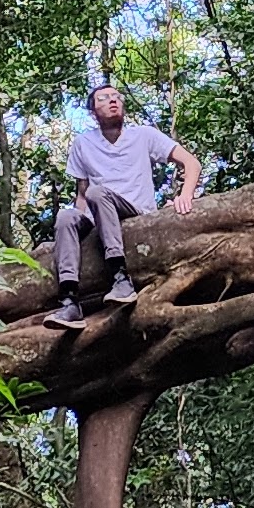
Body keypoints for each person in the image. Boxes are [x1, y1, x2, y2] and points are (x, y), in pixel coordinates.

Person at [46, 81, 201, 326]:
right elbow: (82, 194)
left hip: (134, 211)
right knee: (65, 218)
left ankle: (120, 278)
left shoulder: (143, 135)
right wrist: (74, 230)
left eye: (116, 96)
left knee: (98, 193)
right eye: (103, 98)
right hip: (98, 210)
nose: (113, 100)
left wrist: (185, 196)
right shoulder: (83, 144)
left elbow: (191, 163)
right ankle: (69, 301)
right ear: (93, 112)